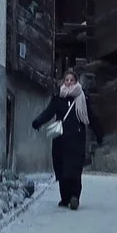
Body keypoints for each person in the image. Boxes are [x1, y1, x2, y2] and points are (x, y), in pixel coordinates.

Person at [30, 67, 95, 209]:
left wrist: (99, 133)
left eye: (72, 80)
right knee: (61, 169)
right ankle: (65, 198)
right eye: (67, 80)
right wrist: (38, 122)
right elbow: (48, 112)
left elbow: (91, 116)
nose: (69, 82)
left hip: (77, 140)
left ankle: (74, 197)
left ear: (76, 82)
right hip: (61, 140)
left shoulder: (82, 98)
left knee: (75, 170)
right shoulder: (58, 98)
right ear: (63, 82)